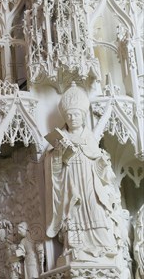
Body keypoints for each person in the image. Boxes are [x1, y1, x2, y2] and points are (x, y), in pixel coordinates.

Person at [46, 83, 117, 263]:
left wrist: (103, 162)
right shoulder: (60, 139)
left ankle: (102, 246)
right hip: (71, 182)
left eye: (76, 114)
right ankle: (75, 247)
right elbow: (54, 171)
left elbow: (99, 161)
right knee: (73, 211)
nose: (73, 118)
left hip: (89, 181)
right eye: (69, 115)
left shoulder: (90, 138)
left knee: (96, 208)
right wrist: (59, 154)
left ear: (83, 116)